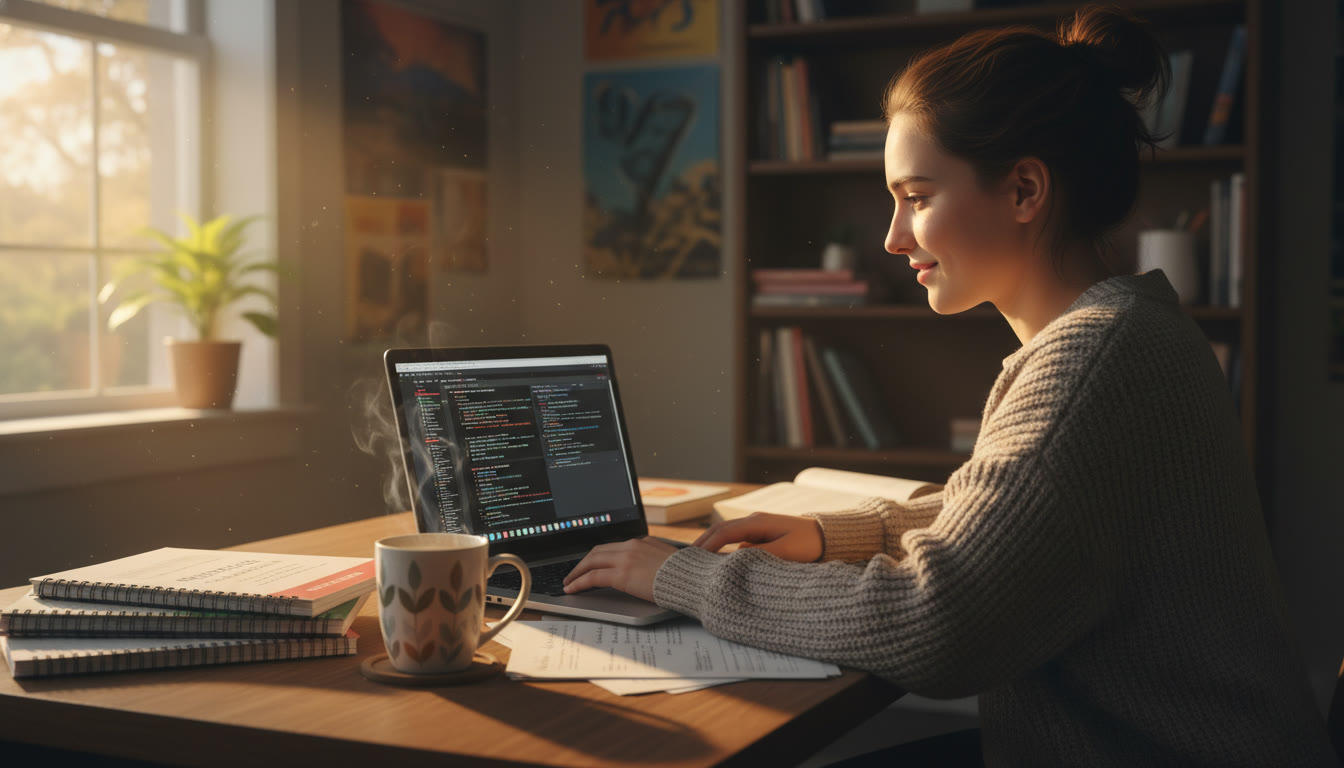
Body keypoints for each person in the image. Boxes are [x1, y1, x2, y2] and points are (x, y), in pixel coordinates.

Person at [563, 5, 1337, 765]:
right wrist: (839, 536)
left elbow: (935, 624)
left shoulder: (1092, 364)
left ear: (1026, 191)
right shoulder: (1127, 330)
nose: (894, 237)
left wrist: (680, 572)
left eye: (918, 197)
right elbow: (1022, 515)